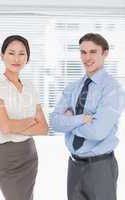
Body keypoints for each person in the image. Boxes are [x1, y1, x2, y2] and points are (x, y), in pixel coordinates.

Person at [51, 33, 123, 200]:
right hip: (74, 165)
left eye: (92, 52)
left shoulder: (113, 90)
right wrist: (82, 118)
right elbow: (55, 122)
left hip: (100, 167)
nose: (87, 57)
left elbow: (98, 131)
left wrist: (68, 122)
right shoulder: (73, 87)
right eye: (83, 52)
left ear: (105, 53)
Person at [0, 35, 48, 200]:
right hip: (8, 157)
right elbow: (5, 127)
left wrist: (16, 125)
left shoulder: (30, 86)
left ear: (27, 58)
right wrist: (31, 121)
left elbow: (44, 128)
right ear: (2, 56)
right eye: (11, 53)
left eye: (22, 54)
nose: (16, 58)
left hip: (29, 154)